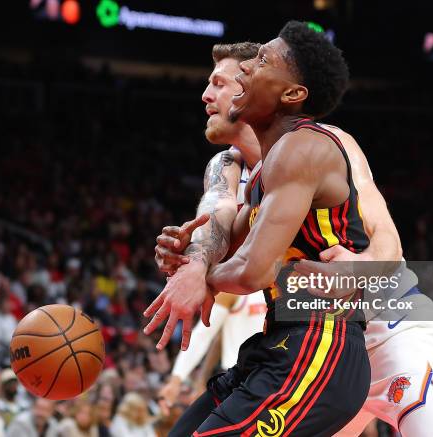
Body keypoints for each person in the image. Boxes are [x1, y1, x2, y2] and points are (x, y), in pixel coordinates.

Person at [147, 21, 372, 435]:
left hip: (327, 341)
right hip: (279, 342)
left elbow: (251, 271)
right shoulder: (256, 171)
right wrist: (187, 261)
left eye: (263, 61)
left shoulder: (305, 146)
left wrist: (203, 279)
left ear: (292, 94)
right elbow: (221, 239)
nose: (249, 68)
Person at [155, 43, 267, 416]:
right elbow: (215, 212)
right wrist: (193, 261)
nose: (205, 95)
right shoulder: (226, 165)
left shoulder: (317, 148)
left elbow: (383, 247)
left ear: (251, 89)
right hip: (289, 345)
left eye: (218, 83)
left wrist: (207, 274)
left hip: (377, 319)